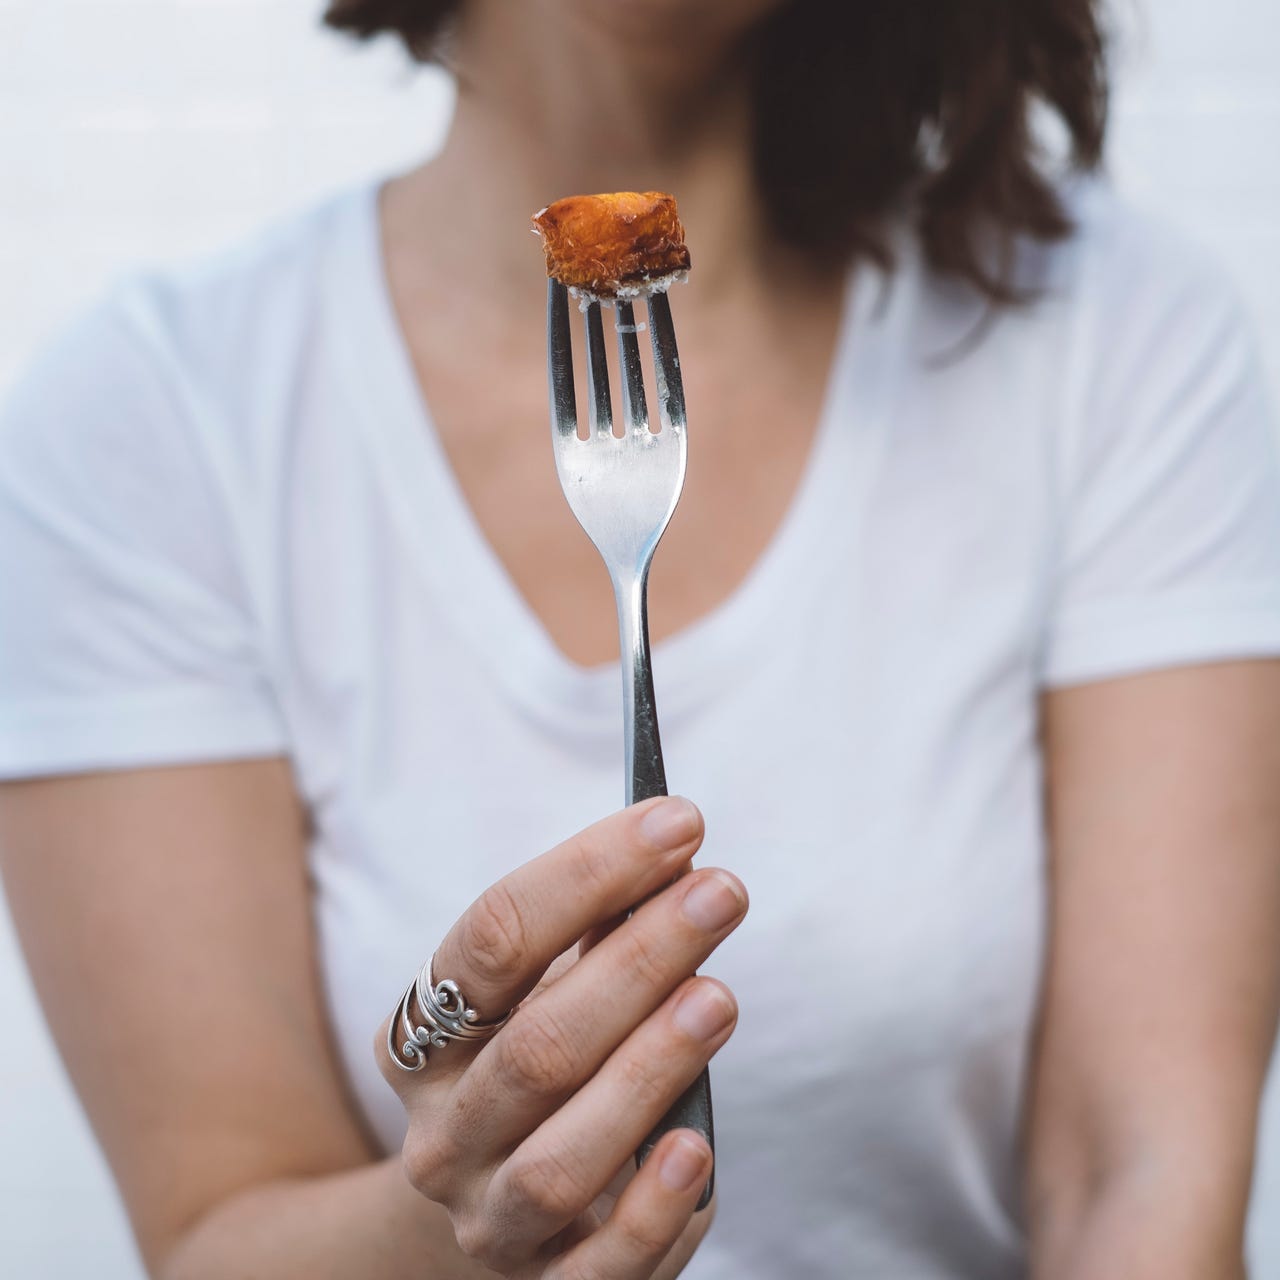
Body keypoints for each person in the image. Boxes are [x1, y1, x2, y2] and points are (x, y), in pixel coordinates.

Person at [1, 1, 1278, 1276]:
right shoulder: (145, 418)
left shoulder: (1117, 334)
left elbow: (1138, 1178)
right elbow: (215, 1230)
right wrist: (460, 1211)